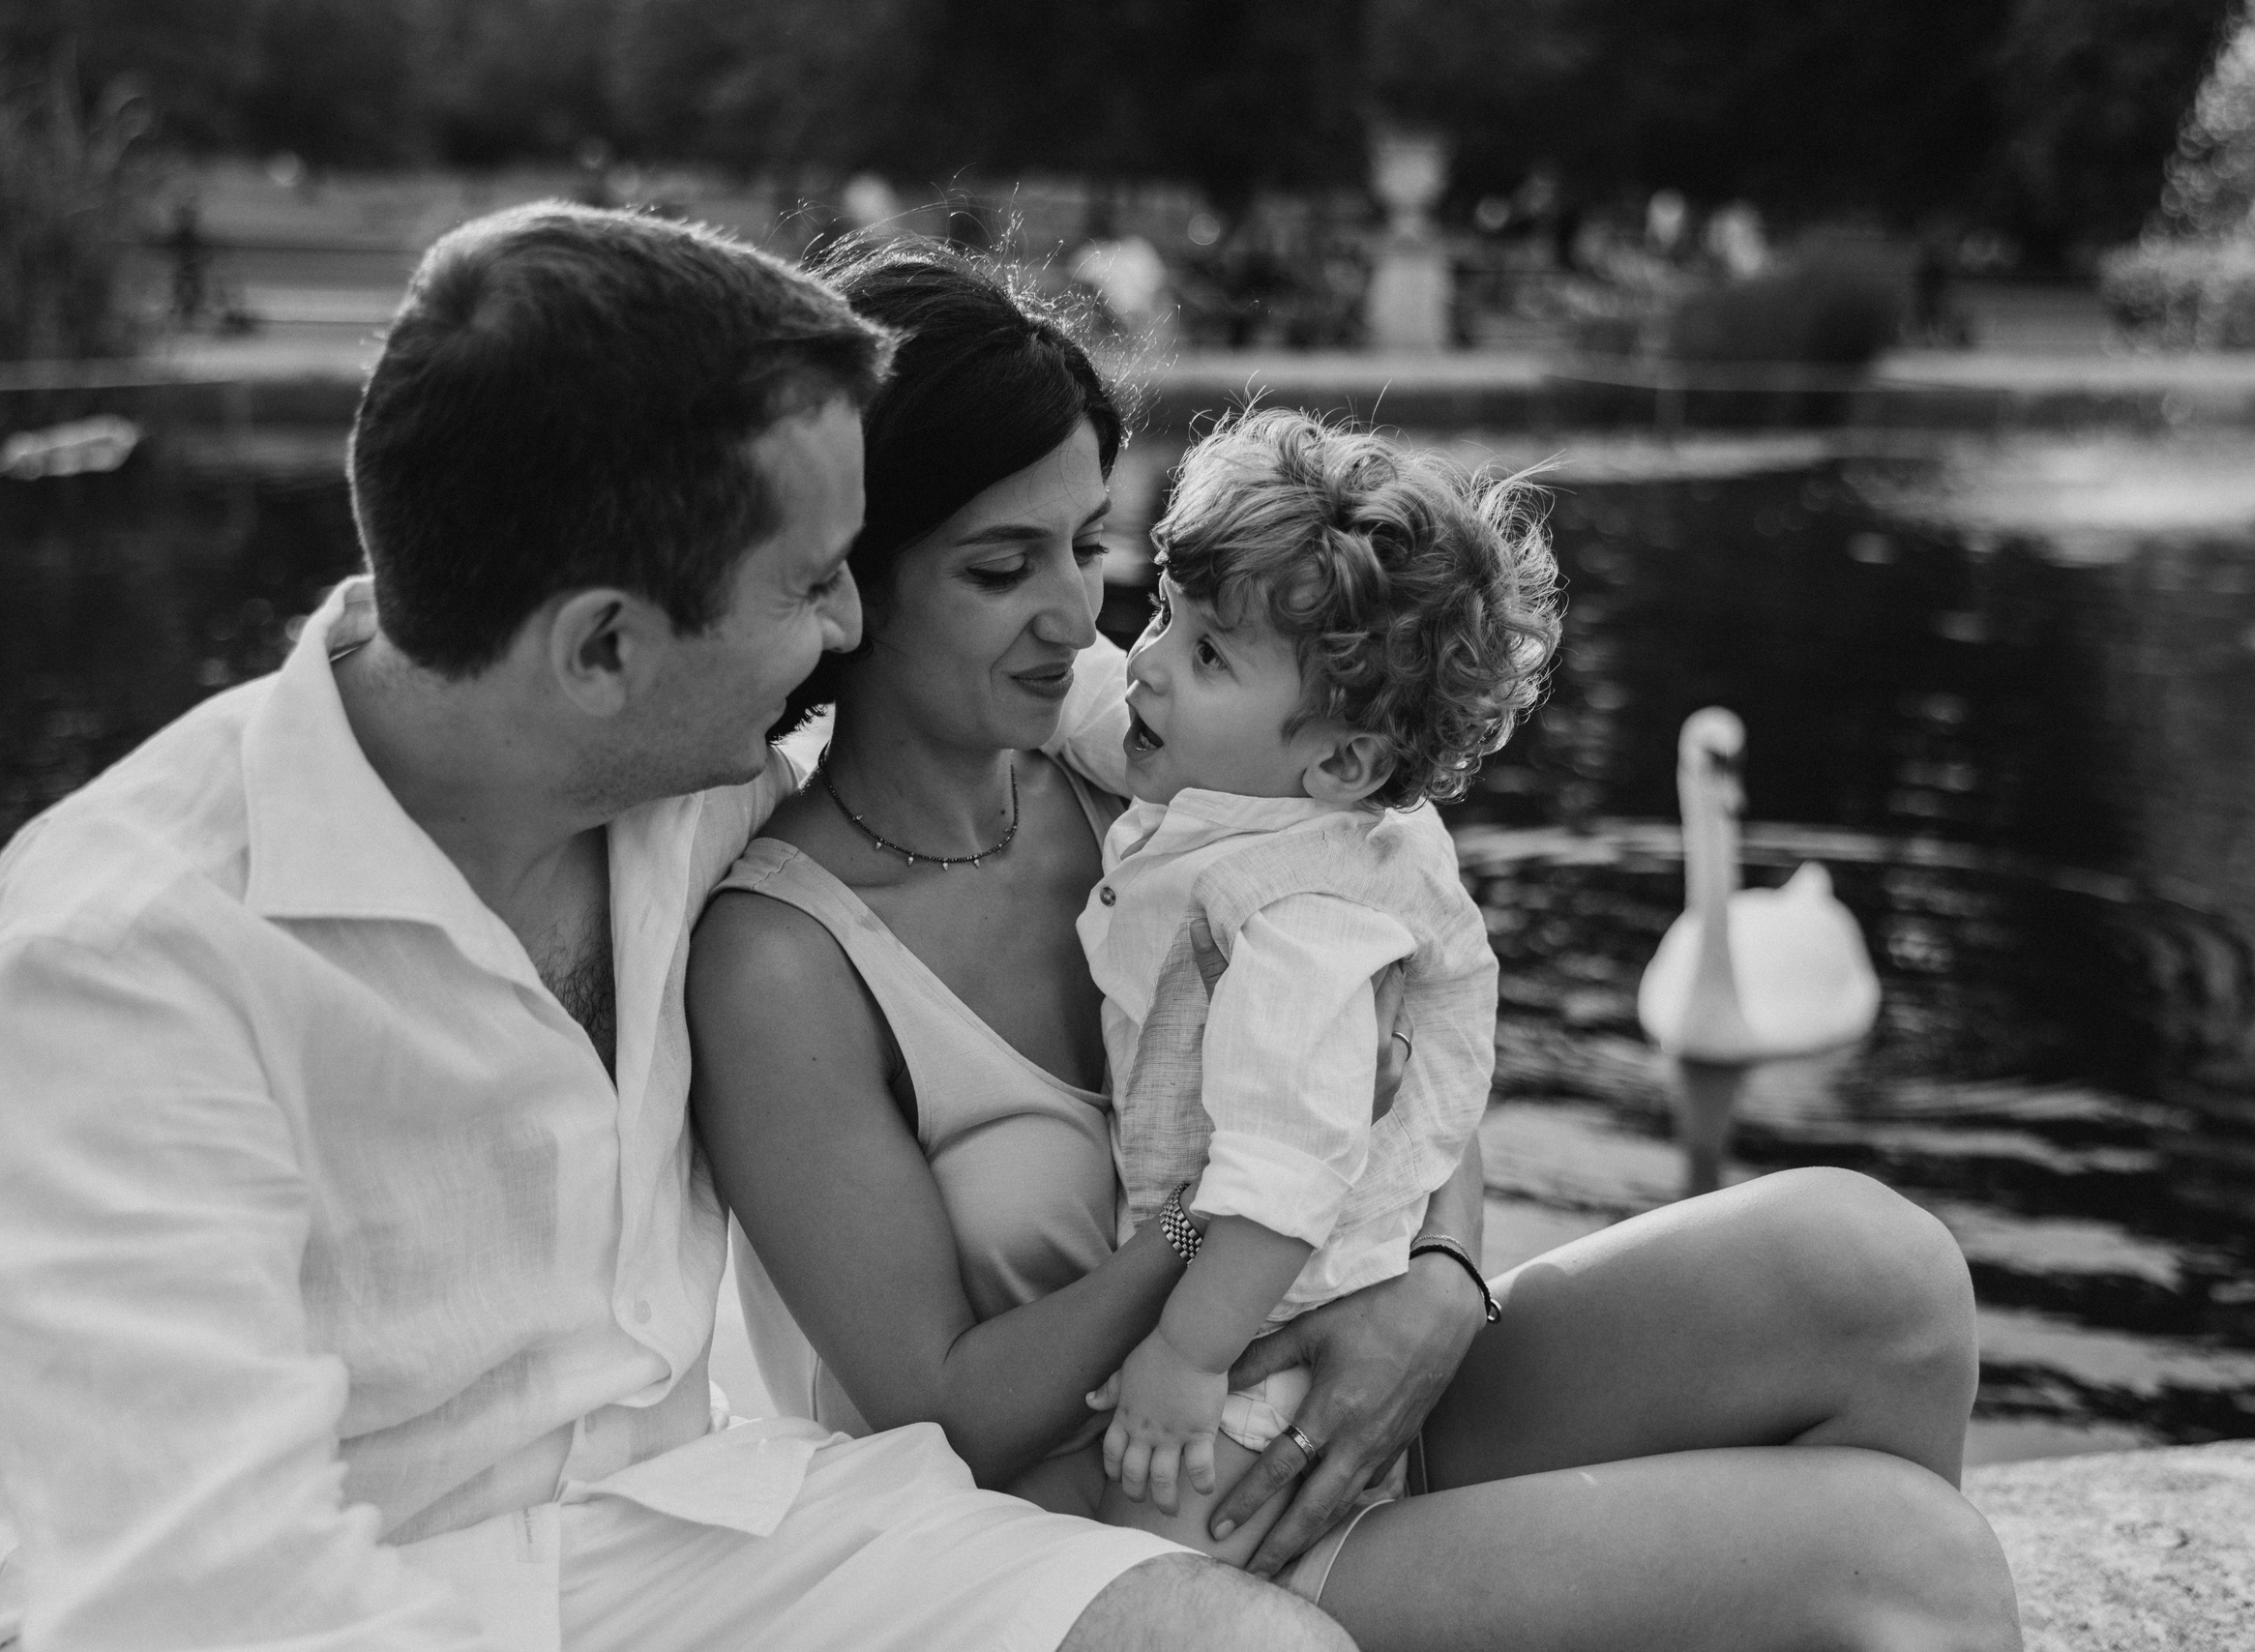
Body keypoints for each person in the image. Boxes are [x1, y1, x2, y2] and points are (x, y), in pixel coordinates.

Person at [0, 203, 1349, 1652]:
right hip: (389, 1580)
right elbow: (202, 1593)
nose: (850, 630)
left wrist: (1436, 1268)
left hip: (711, 1525)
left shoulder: (678, 764)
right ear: (604, 647)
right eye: (811, 585)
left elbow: (1237, 744)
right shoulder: (120, 965)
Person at [690, 238, 2023, 1651]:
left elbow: (1407, 1001)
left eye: (1086, 544)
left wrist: (1438, 1282)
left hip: (1332, 1378)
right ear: (845, 582)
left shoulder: (1141, 741)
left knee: (1879, 1274)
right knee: (1906, 1561)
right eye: (1001, 566)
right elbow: (944, 1413)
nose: (1079, 615)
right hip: (1122, 1531)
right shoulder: (782, 957)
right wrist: (1213, 1228)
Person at [1075, 411, 1557, 1567]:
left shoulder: (1304, 927)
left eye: (1207, 656)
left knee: (1154, 1553)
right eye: (1162, 613)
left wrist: (1185, 1356)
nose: (1143, 661)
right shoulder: (1259, 780)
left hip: (1270, 1341)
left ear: (1342, 761)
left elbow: (1282, 1176)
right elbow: (1090, 702)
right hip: (1271, 1304)